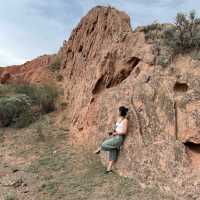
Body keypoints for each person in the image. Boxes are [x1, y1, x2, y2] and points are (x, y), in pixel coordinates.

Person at [93, 106, 129, 174]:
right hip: (115, 137)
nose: (117, 112)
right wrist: (112, 132)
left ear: (121, 112)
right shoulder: (119, 119)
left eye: (118, 111)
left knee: (104, 144)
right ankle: (108, 170)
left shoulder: (125, 120)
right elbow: (117, 128)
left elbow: (124, 132)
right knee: (113, 153)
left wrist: (116, 133)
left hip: (119, 138)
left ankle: (100, 149)